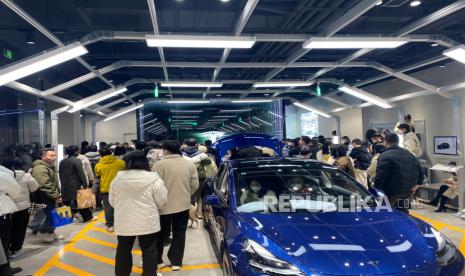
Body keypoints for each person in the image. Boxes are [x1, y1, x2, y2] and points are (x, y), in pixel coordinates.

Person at [110, 151, 167, 276]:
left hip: (124, 220)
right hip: (147, 220)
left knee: (123, 249)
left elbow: (112, 201)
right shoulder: (154, 179)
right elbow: (162, 201)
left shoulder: (117, 179)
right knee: (149, 249)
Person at [152, 140, 199, 271]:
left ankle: (158, 261)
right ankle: (176, 262)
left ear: (165, 150)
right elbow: (194, 184)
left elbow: (155, 186)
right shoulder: (189, 163)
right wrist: (186, 193)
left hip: (163, 207)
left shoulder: (159, 165)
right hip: (183, 205)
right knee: (180, 233)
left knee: (160, 234)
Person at [374, 134, 424, 214]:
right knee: (403, 211)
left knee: (387, 212)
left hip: (391, 192)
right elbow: (421, 173)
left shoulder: (385, 155)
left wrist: (377, 190)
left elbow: (380, 176)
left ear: (385, 142)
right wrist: (417, 184)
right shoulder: (409, 154)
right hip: (408, 191)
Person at [1, 157, 39, 257]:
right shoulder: (26, 175)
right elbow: (34, 187)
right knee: (20, 229)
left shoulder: (4, 175)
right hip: (23, 207)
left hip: (8, 208)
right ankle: (16, 248)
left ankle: (6, 249)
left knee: (9, 230)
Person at [31, 148, 63, 243]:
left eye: (54, 155)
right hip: (44, 196)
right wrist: (56, 195)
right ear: (43, 156)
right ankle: (44, 232)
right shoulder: (40, 168)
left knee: (52, 215)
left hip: (48, 196)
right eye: (51, 155)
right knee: (50, 216)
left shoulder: (49, 166)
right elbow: (44, 184)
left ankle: (50, 232)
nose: (54, 157)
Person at [59, 145, 96, 223]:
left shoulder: (62, 161)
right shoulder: (77, 160)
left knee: (66, 202)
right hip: (75, 185)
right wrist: (85, 184)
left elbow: (60, 173)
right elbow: (81, 173)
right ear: (76, 151)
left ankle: (66, 219)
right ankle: (88, 217)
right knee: (80, 202)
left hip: (64, 184)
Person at [95, 146, 126, 232]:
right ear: (111, 152)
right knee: (121, 205)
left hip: (106, 188)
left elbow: (97, 177)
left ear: (100, 155)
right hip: (120, 188)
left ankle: (110, 225)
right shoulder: (121, 162)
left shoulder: (98, 165)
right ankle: (123, 223)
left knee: (108, 207)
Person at [0, 165, 22, 275]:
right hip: (1, 212)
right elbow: (16, 191)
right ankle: (5, 270)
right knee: (3, 243)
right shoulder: (3, 174)